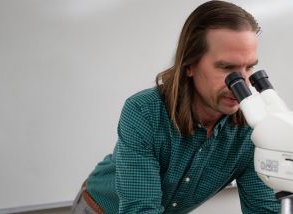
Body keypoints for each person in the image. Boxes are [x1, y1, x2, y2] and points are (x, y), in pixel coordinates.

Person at [72, 1, 280, 213]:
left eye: (250, 67)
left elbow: (264, 209)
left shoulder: (254, 129)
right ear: (190, 65)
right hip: (100, 208)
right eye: (227, 67)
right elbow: (140, 209)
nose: (242, 84)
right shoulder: (144, 112)